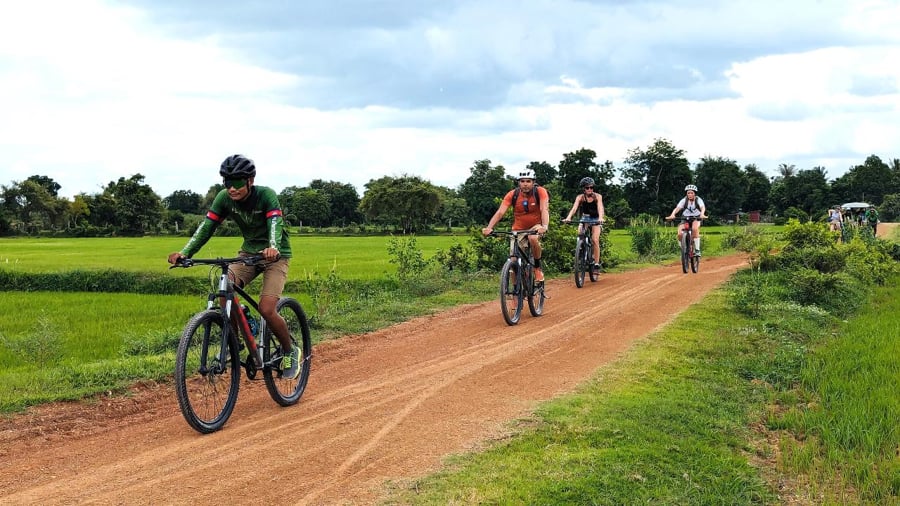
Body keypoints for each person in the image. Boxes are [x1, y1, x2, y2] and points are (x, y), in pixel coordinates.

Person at [167, 154, 301, 380]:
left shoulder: (266, 195)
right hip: (248, 253)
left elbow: (275, 223)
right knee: (225, 291)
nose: (232, 189)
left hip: (275, 256)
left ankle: (289, 352)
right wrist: (185, 253)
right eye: (227, 183)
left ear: (250, 180)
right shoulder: (224, 199)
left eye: (237, 182)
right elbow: (206, 227)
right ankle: (235, 341)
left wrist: (273, 247)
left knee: (267, 309)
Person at [482, 169, 550, 286]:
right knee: (513, 261)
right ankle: (515, 291)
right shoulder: (512, 194)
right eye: (522, 181)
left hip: (536, 226)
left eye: (528, 181)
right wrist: (489, 227)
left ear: (533, 182)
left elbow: (544, 209)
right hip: (518, 229)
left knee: (533, 238)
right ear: (518, 183)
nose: (525, 184)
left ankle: (537, 268)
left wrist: (544, 226)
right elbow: (500, 213)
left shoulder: (540, 192)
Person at [563, 176, 605, 270]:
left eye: (591, 187)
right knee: (580, 233)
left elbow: (600, 208)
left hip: (596, 218)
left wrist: (601, 218)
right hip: (585, 217)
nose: (589, 189)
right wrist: (568, 218)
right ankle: (581, 251)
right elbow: (574, 208)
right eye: (587, 188)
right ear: (583, 189)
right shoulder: (580, 197)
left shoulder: (597, 197)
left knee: (595, 239)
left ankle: (596, 262)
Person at [665, 184, 708, 256]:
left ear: (695, 193)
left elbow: (702, 207)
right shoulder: (684, 200)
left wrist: (702, 214)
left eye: (692, 193)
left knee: (694, 229)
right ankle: (683, 249)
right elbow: (677, 208)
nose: (690, 194)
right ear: (686, 194)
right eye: (688, 193)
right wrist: (672, 214)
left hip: (696, 217)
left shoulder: (698, 200)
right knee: (679, 233)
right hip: (685, 218)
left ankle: (697, 250)